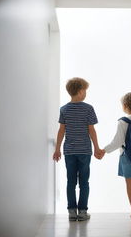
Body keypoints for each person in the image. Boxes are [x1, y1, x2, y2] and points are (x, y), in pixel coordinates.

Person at [52, 77, 101, 221]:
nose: (86, 93)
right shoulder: (88, 108)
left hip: (69, 152)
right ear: (80, 92)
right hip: (85, 151)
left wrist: (57, 149)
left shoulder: (64, 109)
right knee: (84, 182)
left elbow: (61, 131)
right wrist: (97, 148)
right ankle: (83, 212)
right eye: (85, 90)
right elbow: (91, 130)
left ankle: (72, 212)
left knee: (71, 182)